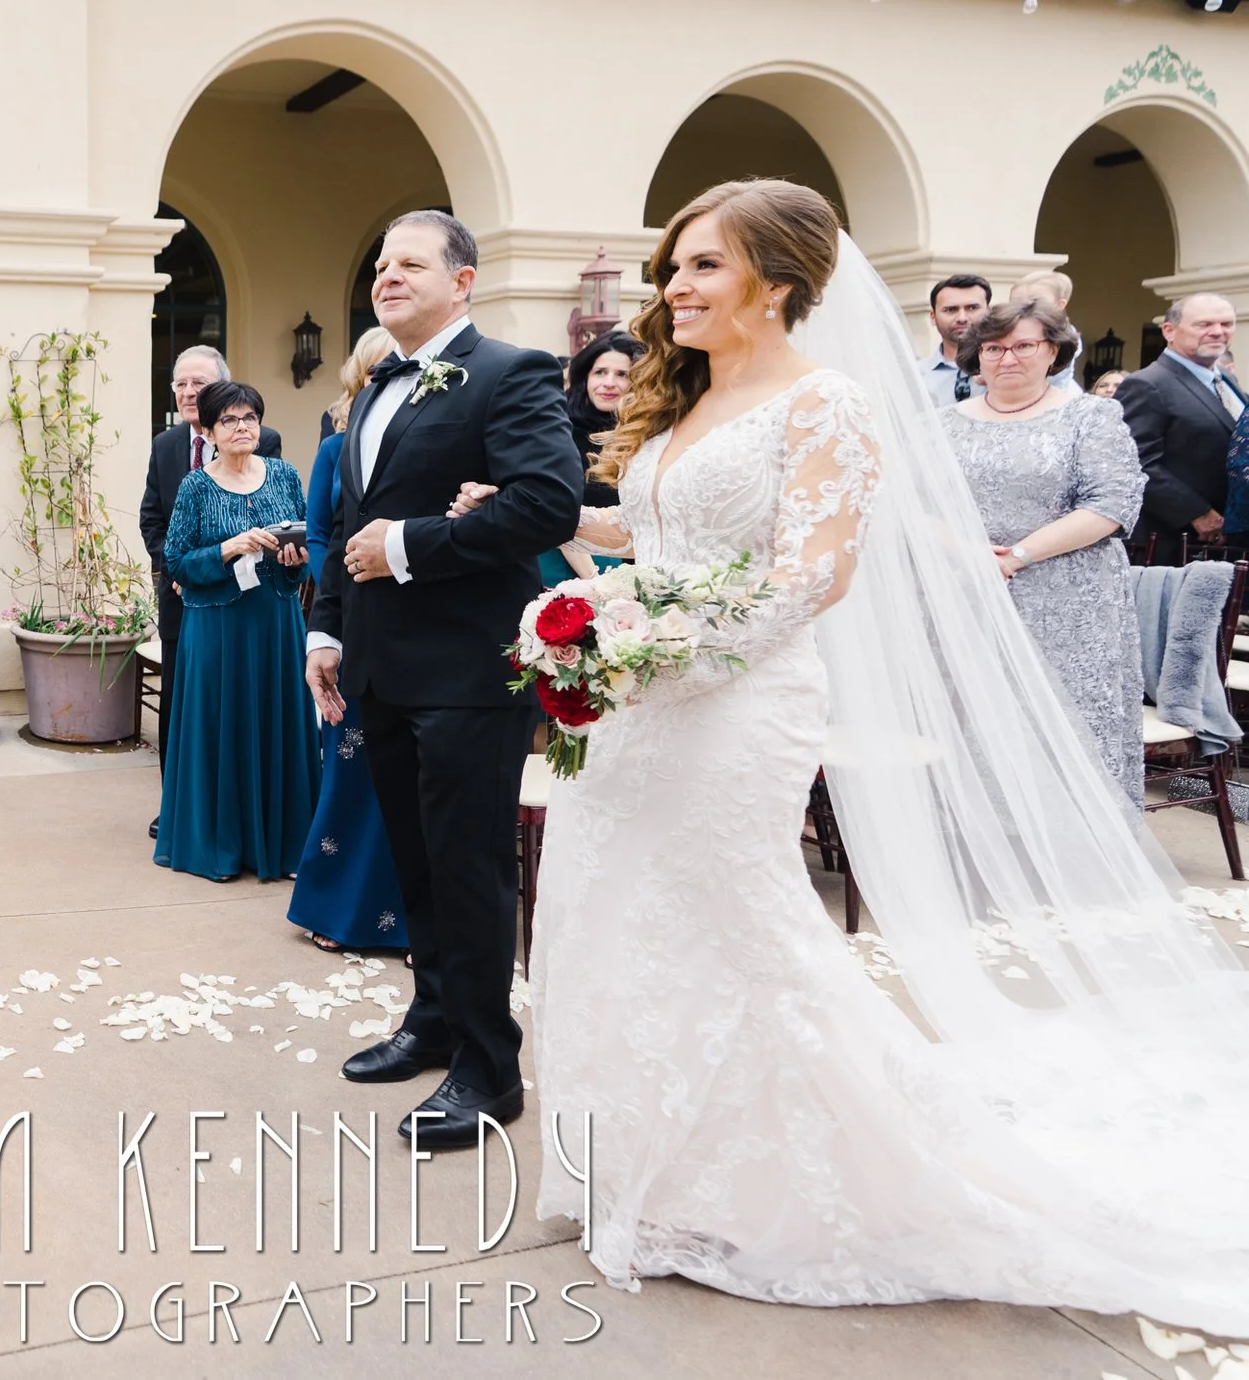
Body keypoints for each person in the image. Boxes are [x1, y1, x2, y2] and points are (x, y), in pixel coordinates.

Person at [501, 177, 1249, 1331]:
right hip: (635, 705)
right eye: (673, 266)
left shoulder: (826, 402)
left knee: (738, 925)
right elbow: (657, 535)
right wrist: (572, 561)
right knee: (614, 911)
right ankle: (648, 1163)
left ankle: (781, 1177)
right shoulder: (688, 393)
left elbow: (814, 573)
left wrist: (657, 650)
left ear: (777, 283)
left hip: (735, 702)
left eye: (702, 264)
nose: (674, 286)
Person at [304, 209, 581, 1149]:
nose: (387, 276)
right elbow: (349, 529)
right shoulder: (373, 387)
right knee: (415, 862)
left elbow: (547, 503)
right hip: (381, 667)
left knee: (468, 869)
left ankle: (489, 1066)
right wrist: (326, 631)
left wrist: (411, 547)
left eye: (410, 264)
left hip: (468, 670)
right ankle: (432, 1019)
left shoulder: (511, 373)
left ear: (463, 281)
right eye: (381, 264)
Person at [944, 299, 1146, 806]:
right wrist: (967, 551)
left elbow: (1111, 505)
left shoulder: (1092, 416)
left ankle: (1076, 837)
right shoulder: (940, 425)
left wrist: (1015, 556)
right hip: (969, 590)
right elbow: (910, 505)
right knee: (976, 714)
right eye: (994, 348)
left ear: (1053, 351)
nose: (1007, 358)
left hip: (1070, 600)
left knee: (1066, 719)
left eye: (1023, 345)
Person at [154, 380, 316, 882]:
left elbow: (306, 549)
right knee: (219, 728)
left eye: (250, 418)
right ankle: (218, 848)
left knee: (277, 725)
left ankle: (285, 846)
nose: (242, 427)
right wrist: (230, 547)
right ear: (208, 431)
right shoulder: (196, 486)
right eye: (229, 420)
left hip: (275, 623)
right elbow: (176, 562)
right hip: (217, 629)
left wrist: (295, 559)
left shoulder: (285, 475)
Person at [287, 328, 403, 953]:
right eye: (383, 366)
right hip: (352, 615)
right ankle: (338, 911)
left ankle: (411, 919)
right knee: (351, 767)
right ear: (362, 375)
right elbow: (319, 535)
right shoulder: (337, 448)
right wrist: (339, 608)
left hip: (418, 616)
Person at [138, 345, 280, 836]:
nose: (187, 392)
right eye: (179, 383)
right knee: (181, 702)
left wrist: (216, 562)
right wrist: (178, 570)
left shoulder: (264, 442)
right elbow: (152, 519)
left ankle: (241, 810)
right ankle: (178, 808)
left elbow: (265, 514)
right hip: (180, 598)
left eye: (197, 383)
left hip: (242, 600)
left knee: (238, 704)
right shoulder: (165, 445)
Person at [1115, 292, 1241, 563]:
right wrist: (1197, 513)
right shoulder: (1146, 384)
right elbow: (1133, 463)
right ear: (1169, 331)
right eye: (1204, 324)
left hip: (1229, 542)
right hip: (1174, 544)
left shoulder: (1227, 380)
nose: (1217, 331)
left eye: (1226, 324)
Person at [539, 328, 644, 585]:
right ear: (585, 376)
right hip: (574, 572)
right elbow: (553, 509)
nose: (609, 382)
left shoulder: (647, 433)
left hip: (639, 569)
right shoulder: (558, 430)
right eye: (600, 372)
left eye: (622, 374)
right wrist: (597, 582)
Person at [920, 273, 991, 405]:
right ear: (933, 317)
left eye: (972, 308)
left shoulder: (1009, 366)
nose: (962, 318)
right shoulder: (915, 376)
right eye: (950, 310)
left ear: (989, 312)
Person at [1007, 268, 1083, 390]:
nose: (1025, 306)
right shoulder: (1012, 328)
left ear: (1059, 305)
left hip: (1057, 389)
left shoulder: (1063, 332)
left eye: (1035, 301)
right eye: (1017, 302)